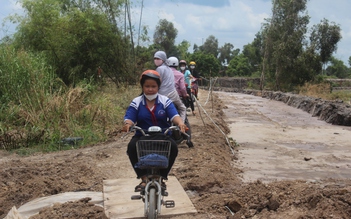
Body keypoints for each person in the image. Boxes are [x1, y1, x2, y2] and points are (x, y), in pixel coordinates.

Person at [123, 70, 187, 192]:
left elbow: (174, 115)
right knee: (131, 147)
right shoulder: (136, 102)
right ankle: (143, 178)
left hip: (162, 135)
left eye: (153, 86)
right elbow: (130, 117)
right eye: (147, 86)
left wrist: (180, 123)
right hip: (142, 135)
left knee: (173, 147)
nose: (150, 89)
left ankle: (162, 177)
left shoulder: (165, 101)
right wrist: (128, 124)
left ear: (158, 87)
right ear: (142, 86)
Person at [168, 56, 194, 148]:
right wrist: (185, 95)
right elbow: (183, 88)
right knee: (183, 115)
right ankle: (188, 138)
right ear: (178, 65)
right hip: (176, 98)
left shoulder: (164, 73)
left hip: (163, 99)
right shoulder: (179, 75)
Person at [153, 51, 187, 122]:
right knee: (183, 108)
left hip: (161, 95)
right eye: (155, 58)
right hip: (173, 94)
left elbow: (157, 83)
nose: (156, 60)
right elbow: (182, 88)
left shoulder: (159, 69)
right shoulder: (172, 71)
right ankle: (182, 124)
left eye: (157, 58)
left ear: (163, 59)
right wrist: (185, 94)